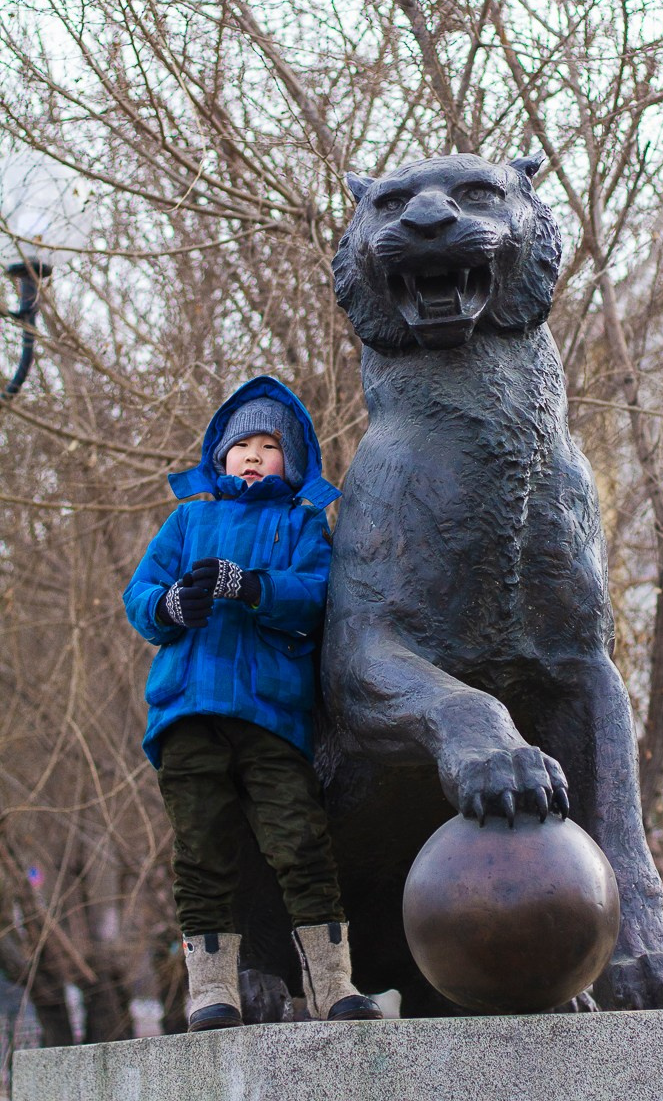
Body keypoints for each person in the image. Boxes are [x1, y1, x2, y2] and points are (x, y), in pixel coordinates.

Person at [124, 376, 382, 1031]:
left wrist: (252, 586)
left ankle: (333, 986)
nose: (252, 456)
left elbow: (317, 596)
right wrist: (170, 605)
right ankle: (211, 992)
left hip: (272, 717)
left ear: (289, 461)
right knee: (200, 851)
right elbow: (139, 595)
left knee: (301, 843)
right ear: (221, 454)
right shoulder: (188, 520)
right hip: (188, 713)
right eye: (241, 445)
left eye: (268, 446)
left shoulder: (302, 523)